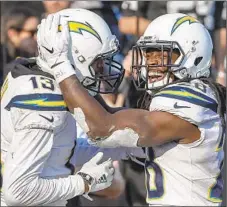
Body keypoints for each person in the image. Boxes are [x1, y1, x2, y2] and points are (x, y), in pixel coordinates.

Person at [39, 12, 226, 206]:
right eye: (148, 53)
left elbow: (103, 129)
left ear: (194, 55)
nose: (151, 62)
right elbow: (112, 124)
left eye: (162, 53)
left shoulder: (190, 102)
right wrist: (85, 79)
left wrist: (61, 66)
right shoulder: (194, 99)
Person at [1, 8, 128, 206]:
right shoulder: (42, 100)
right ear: (75, 55)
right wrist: (85, 182)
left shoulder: (36, 75)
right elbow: (18, 192)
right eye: (99, 62)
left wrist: (123, 148)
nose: (102, 69)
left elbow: (58, 153)